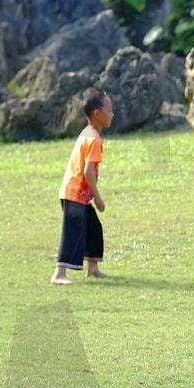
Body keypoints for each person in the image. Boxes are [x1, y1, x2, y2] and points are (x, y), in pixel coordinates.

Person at [51, 89, 113, 285]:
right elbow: (88, 172)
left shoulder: (87, 133)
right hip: (75, 194)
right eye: (109, 110)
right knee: (73, 233)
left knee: (94, 228)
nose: (112, 114)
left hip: (78, 194)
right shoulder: (94, 139)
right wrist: (99, 198)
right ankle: (59, 274)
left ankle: (93, 268)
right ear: (97, 113)